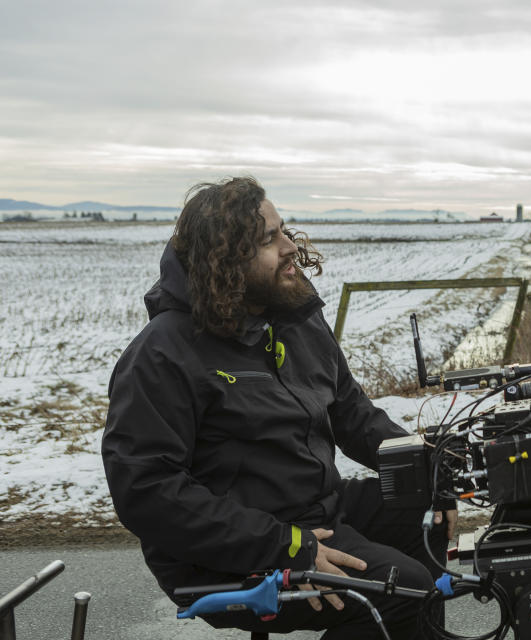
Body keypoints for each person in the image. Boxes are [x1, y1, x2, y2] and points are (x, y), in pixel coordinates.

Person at [101, 176, 455, 639]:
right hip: (232, 553)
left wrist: (429, 469)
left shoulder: (292, 319)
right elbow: (146, 492)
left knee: (422, 514)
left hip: (312, 512)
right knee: (403, 590)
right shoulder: (163, 353)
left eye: (284, 230)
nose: (290, 246)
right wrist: (284, 547)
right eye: (269, 239)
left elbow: (352, 414)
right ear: (225, 263)